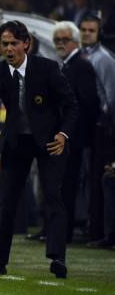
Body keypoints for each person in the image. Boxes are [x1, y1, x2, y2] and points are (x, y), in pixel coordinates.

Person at [0, 21, 78, 278]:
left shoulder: (47, 68)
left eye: (13, 43)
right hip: (16, 142)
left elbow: (71, 105)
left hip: (50, 142)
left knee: (53, 196)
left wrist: (63, 134)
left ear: (27, 44)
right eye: (4, 44)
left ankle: (58, 258)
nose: (9, 49)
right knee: (6, 202)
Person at [52, 21, 99, 243]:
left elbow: (88, 103)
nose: (60, 44)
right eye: (57, 40)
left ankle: (67, 230)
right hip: (66, 135)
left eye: (64, 40)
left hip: (75, 137)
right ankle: (60, 229)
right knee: (62, 183)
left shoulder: (81, 66)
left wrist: (74, 133)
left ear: (75, 41)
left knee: (70, 184)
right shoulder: (66, 66)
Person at [79, 14, 115, 242]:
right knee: (88, 176)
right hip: (88, 124)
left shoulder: (104, 59)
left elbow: (110, 96)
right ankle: (92, 225)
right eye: (83, 29)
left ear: (99, 32)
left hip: (102, 126)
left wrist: (106, 121)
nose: (86, 34)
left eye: (91, 30)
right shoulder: (82, 56)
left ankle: (101, 229)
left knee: (97, 176)